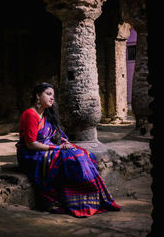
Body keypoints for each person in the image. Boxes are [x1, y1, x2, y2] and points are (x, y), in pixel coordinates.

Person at [16, 82, 121, 217]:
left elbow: (56, 135)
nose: (52, 98)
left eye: (53, 95)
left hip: (46, 148)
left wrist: (64, 143)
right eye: (48, 94)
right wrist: (57, 148)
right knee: (69, 158)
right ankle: (74, 202)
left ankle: (91, 199)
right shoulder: (30, 114)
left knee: (82, 153)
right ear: (37, 96)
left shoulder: (46, 114)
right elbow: (31, 144)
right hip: (31, 154)